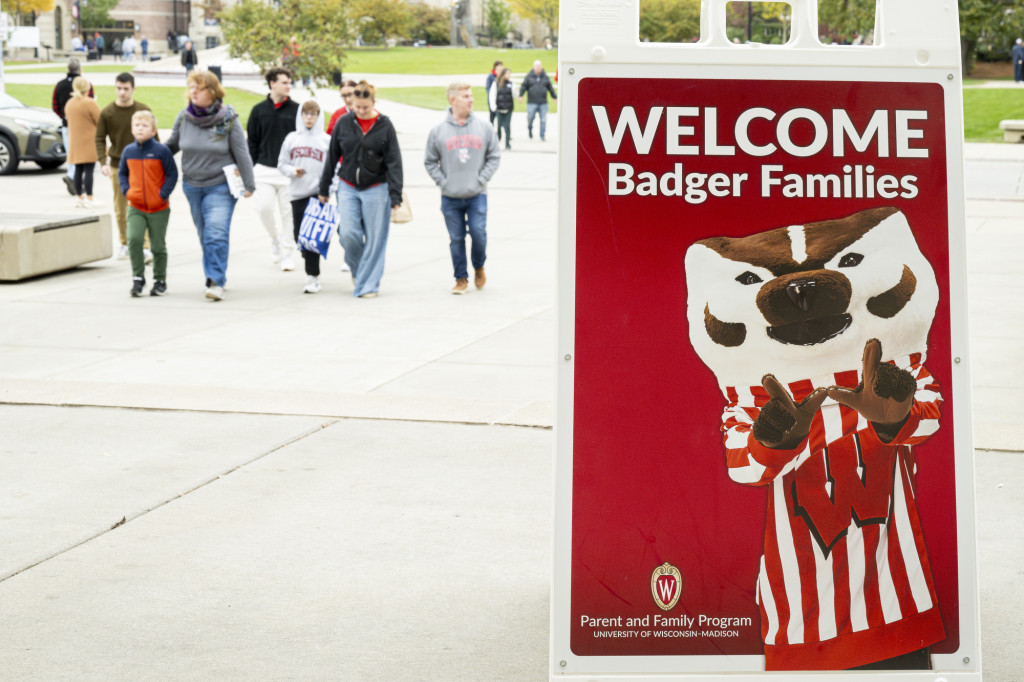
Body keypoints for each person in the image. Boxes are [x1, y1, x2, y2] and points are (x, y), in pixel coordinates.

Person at [166, 71, 255, 301]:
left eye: (200, 88)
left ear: (213, 92)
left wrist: (249, 183)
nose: (193, 91)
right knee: (205, 233)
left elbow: (241, 153)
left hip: (221, 186)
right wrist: (145, 151)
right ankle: (214, 273)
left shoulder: (228, 119)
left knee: (216, 232)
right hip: (192, 186)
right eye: (192, 87)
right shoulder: (184, 118)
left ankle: (215, 281)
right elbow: (171, 147)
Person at [317, 81, 403, 298]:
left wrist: (395, 194)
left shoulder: (385, 125)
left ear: (374, 103)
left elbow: (394, 162)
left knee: (375, 239)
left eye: (366, 107)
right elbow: (332, 156)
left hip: (377, 186)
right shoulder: (344, 123)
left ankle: (368, 285)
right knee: (348, 234)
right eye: (357, 107)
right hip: (347, 185)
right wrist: (324, 187)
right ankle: (359, 271)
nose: (361, 111)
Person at [424, 82, 501, 294]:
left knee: (478, 233)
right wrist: (443, 182)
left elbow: (494, 157)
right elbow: (430, 161)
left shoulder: (484, 128)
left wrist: (481, 179)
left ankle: (478, 265)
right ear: (453, 100)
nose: (471, 99)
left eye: (471, 95)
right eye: (466, 96)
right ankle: (461, 278)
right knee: (456, 238)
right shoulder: (438, 131)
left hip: (477, 194)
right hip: (450, 196)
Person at [96, 72, 155, 261]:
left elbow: (155, 137)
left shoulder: (142, 110)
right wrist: (102, 161)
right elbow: (99, 138)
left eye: (126, 89)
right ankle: (124, 243)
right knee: (121, 208)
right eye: (119, 88)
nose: (122, 92)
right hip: (117, 164)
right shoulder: (107, 112)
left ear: (133, 89)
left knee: (142, 205)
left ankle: (144, 246)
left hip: (141, 164)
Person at [119, 111, 178, 297]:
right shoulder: (128, 151)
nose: (140, 128)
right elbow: (122, 173)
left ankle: (160, 280)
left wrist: (162, 195)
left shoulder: (161, 151)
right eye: (137, 125)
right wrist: (127, 191)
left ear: (153, 131)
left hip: (158, 208)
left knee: (158, 246)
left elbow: (172, 174)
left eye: (145, 126)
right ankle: (138, 278)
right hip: (135, 206)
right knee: (134, 240)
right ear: (132, 129)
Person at [248, 68, 300, 271]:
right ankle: (275, 238)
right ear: (272, 84)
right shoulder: (259, 110)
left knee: (289, 215)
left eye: (290, 82)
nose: (289, 86)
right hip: (263, 169)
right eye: (285, 82)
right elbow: (251, 142)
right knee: (263, 208)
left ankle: (287, 254)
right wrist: (248, 171)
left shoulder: (297, 110)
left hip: (289, 172)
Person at [278, 100, 331, 294]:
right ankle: (309, 262)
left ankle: (313, 276)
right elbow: (281, 164)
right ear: (301, 116)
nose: (309, 118)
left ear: (318, 116)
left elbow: (333, 167)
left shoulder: (326, 141)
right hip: (297, 192)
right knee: (299, 236)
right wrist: (293, 170)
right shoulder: (292, 139)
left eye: (313, 114)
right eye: (306, 114)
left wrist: (328, 190)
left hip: (318, 194)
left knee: (313, 238)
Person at [52, 58, 93, 194]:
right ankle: (73, 178)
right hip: (83, 125)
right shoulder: (86, 85)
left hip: (66, 124)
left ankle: (73, 177)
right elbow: (91, 103)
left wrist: (63, 117)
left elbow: (55, 105)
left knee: (71, 152)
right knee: (83, 156)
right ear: (80, 70)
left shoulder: (60, 85)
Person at [64, 76, 101, 208]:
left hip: (75, 139)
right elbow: (99, 120)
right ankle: (90, 197)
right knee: (89, 170)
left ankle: (79, 197)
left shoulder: (70, 103)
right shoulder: (89, 102)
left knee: (78, 170)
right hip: (89, 139)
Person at [518, 60, 557, 141]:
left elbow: (550, 87)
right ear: (533, 67)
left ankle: (542, 135)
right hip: (532, 102)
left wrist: (554, 97)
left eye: (539, 66)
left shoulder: (545, 77)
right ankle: (530, 129)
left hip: (543, 102)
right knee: (530, 117)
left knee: (543, 120)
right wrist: (521, 95)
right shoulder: (529, 77)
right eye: (537, 66)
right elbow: (523, 86)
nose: (538, 67)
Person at [488, 67, 514, 150]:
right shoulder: (496, 83)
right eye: (507, 73)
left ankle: (507, 143)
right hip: (499, 108)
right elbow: (492, 95)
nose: (509, 75)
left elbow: (514, 95)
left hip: (508, 108)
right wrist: (493, 106)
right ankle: (497, 141)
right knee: (498, 126)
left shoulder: (511, 84)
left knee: (507, 126)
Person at [485, 60, 502, 124]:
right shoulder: (491, 76)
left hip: (500, 98)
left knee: (500, 116)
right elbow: (488, 87)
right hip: (492, 98)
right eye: (499, 66)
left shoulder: (501, 76)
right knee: (492, 114)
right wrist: (491, 95)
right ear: (495, 67)